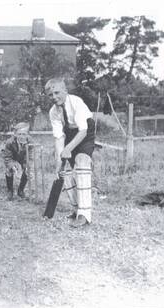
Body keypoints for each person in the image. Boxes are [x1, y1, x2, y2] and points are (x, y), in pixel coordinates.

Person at [45, 78, 96, 227]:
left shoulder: (76, 102)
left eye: (57, 93)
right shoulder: (53, 112)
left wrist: (68, 149)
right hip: (70, 134)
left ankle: (85, 214)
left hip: (85, 132)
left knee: (81, 162)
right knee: (64, 170)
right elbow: (59, 138)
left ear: (65, 91)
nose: (54, 97)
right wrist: (58, 164)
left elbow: (83, 130)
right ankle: (76, 209)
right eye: (50, 95)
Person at [2, 122, 31, 200]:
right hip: (13, 158)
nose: (22, 136)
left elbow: (31, 157)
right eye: (19, 134)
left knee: (28, 170)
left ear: (27, 134)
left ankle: (21, 190)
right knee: (9, 170)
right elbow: (7, 158)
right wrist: (13, 167)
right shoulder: (10, 142)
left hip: (23, 159)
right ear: (15, 134)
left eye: (24, 134)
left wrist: (28, 166)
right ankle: (10, 191)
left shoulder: (30, 142)